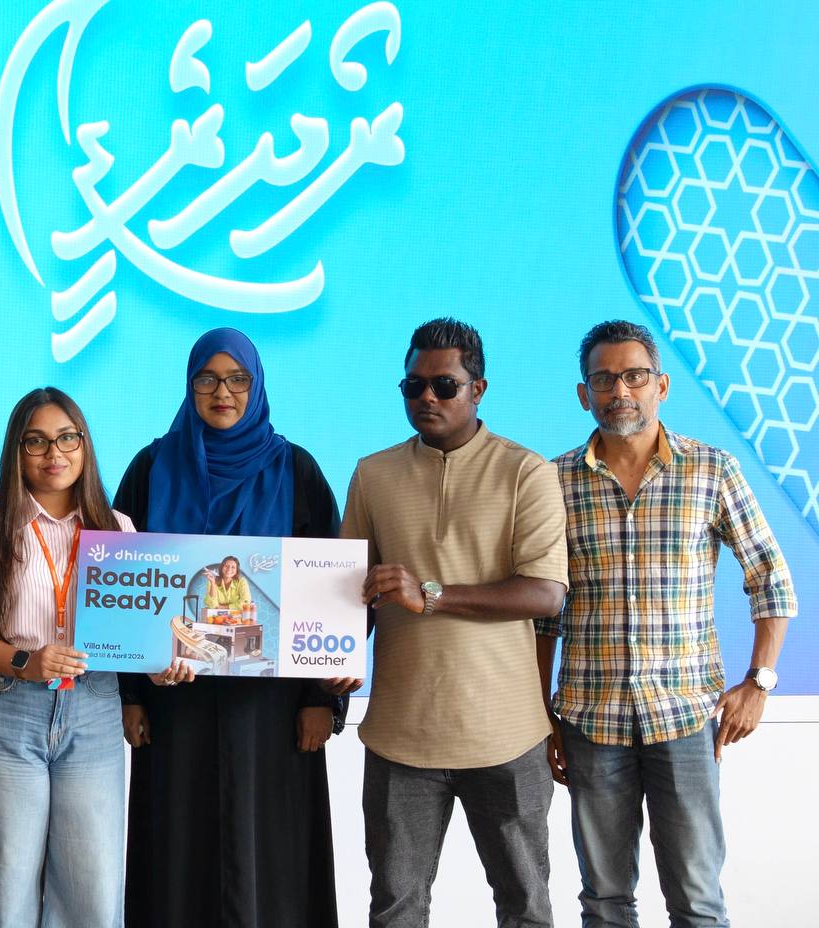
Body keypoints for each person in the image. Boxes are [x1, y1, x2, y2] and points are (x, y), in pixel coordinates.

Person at [537, 320, 797, 928]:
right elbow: (543, 613)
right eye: (604, 379)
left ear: (662, 385)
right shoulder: (554, 481)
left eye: (634, 376)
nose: (620, 391)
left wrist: (759, 682)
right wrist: (539, 711)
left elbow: (772, 578)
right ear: (583, 394)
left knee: (697, 900)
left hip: (684, 718)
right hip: (590, 721)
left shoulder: (711, 470)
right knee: (605, 900)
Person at [341, 317, 568, 928]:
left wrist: (430, 594)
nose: (427, 398)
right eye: (413, 386)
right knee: (395, 909)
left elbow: (546, 593)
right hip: (400, 736)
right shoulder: (373, 474)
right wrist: (333, 659)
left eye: (444, 386)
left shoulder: (526, 472)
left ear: (478, 390)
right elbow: (351, 594)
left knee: (525, 908)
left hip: (506, 735)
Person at [115, 327, 344, 928]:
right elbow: (124, 582)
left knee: (272, 855)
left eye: (238, 379)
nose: (223, 393)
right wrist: (130, 695)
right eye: (208, 379)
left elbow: (329, 589)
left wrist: (320, 700)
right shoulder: (151, 467)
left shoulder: (296, 469)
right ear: (189, 386)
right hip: (174, 701)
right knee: (176, 852)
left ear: (257, 385)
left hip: (272, 711)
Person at [0, 387, 160, 928]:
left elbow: (138, 630)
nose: (53, 453)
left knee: (93, 893)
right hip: (7, 709)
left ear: (84, 445)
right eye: (35, 441)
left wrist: (163, 664)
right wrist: (23, 661)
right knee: (9, 887)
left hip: (93, 709)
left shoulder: (118, 529)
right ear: (16, 451)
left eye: (66, 438)